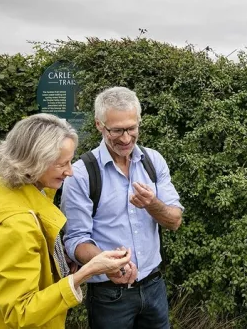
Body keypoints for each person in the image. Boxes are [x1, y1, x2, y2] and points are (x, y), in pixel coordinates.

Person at [0, 113, 133, 329]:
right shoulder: (16, 225)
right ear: (32, 162)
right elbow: (21, 312)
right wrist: (88, 271)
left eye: (70, 161)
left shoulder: (6, 190)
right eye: (61, 164)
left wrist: (60, 262)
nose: (70, 171)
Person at [61, 86, 184, 329]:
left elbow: (174, 220)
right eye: (116, 130)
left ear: (139, 122)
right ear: (99, 125)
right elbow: (75, 240)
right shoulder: (81, 174)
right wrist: (108, 264)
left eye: (131, 128)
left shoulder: (153, 161)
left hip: (153, 285)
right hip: (108, 295)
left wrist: (152, 204)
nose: (126, 138)